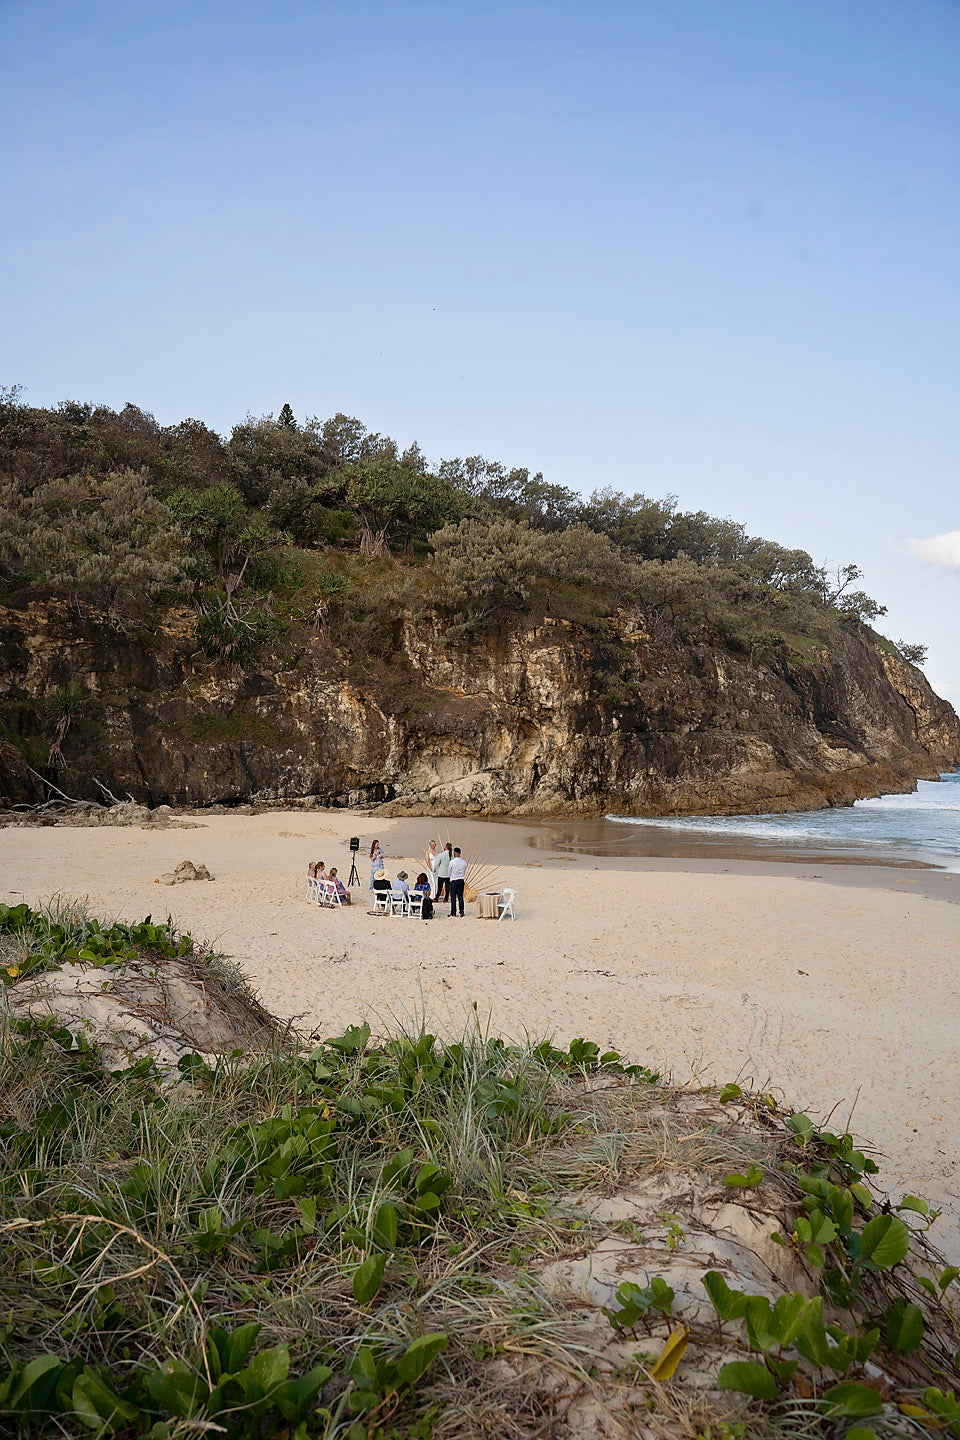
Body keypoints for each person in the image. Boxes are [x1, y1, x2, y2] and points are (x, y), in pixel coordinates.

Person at [448, 846, 467, 917]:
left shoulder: (452, 862)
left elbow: (449, 872)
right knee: (460, 897)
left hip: (453, 880)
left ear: (454, 853)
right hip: (460, 880)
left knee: (453, 897)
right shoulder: (464, 862)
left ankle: (453, 912)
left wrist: (452, 877)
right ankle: (461, 912)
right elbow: (464, 871)